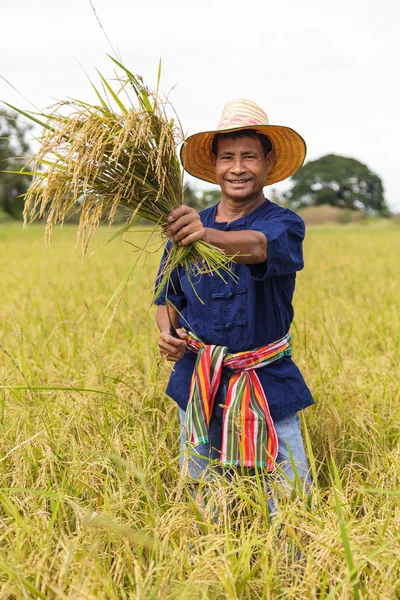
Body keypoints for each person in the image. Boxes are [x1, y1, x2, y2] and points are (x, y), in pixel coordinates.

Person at [155, 99, 313, 500]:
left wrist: (204, 236)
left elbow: (257, 248)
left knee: (293, 496)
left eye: (249, 156)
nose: (238, 167)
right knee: (200, 493)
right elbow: (166, 294)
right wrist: (167, 332)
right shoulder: (192, 225)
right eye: (227, 157)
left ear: (268, 161)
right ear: (215, 163)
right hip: (200, 378)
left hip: (266, 378)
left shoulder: (283, 223)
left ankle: (294, 561)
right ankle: (204, 558)